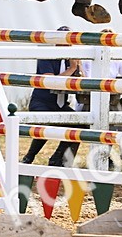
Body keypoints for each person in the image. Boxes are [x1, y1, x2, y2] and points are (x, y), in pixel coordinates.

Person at [22, 27, 82, 166]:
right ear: (57, 42)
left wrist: (79, 66)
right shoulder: (47, 56)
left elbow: (81, 80)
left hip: (61, 104)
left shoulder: (71, 59)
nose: (68, 45)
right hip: (42, 102)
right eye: (65, 41)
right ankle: (29, 157)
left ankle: (59, 160)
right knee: (47, 124)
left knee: (81, 124)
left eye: (70, 42)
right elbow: (50, 82)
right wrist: (71, 69)